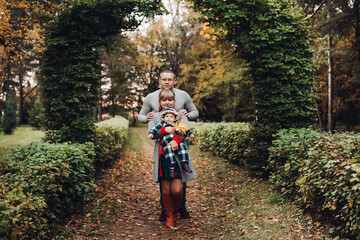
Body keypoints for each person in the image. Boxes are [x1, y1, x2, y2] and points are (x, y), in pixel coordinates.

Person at [138, 70, 199, 220]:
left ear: (174, 81)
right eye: (164, 79)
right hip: (162, 141)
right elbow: (140, 115)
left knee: (181, 174)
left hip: (180, 140)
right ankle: (166, 209)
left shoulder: (183, 95)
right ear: (159, 80)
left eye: (169, 79)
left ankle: (181, 206)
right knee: (164, 175)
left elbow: (195, 112)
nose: (166, 82)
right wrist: (147, 117)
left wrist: (187, 114)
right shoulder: (151, 96)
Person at [147, 91, 196, 228]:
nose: (167, 103)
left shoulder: (180, 115)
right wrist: (165, 131)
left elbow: (185, 131)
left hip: (178, 155)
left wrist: (176, 140)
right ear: (160, 102)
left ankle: (176, 210)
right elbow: (152, 133)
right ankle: (169, 215)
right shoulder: (154, 116)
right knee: (166, 190)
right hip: (163, 155)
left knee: (177, 190)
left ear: (174, 101)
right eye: (164, 100)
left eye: (170, 100)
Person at [148, 105, 195, 178]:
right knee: (169, 155)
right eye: (167, 116)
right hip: (166, 142)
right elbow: (155, 129)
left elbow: (185, 129)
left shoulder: (176, 124)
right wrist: (151, 133)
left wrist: (190, 134)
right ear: (164, 117)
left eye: (171, 117)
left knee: (183, 149)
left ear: (174, 118)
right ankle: (172, 169)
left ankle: (184, 164)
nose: (169, 118)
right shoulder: (162, 124)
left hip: (177, 141)